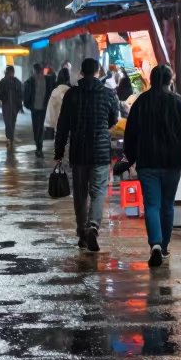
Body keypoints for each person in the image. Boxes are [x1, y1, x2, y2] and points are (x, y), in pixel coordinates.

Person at [123, 64, 181, 268]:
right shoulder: (178, 102)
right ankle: (164, 247)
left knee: (152, 205)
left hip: (147, 162)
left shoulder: (141, 102)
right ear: (169, 80)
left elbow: (130, 134)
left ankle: (155, 244)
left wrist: (129, 159)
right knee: (167, 205)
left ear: (152, 79)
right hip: (172, 162)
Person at [54, 57, 120, 252]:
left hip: (78, 152)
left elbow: (63, 126)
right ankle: (93, 225)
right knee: (99, 191)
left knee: (80, 193)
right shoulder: (108, 95)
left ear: (81, 73)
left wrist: (59, 152)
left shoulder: (72, 94)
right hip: (99, 152)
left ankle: (82, 231)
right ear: (98, 72)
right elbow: (113, 119)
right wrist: (100, 128)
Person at [24, 63, 53, 157]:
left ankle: (39, 146)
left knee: (39, 127)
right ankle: (38, 145)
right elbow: (27, 93)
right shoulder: (31, 81)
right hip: (35, 107)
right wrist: (27, 104)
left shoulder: (47, 80)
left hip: (42, 108)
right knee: (37, 128)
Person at [0, 66, 24, 150]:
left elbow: (21, 94)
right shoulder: (3, 82)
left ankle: (10, 137)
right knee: (8, 122)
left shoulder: (16, 82)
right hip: (7, 105)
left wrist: (19, 104)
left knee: (11, 121)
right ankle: (10, 137)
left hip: (12, 106)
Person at [44, 67, 71, 136]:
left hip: (58, 128)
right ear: (68, 79)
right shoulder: (72, 92)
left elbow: (50, 110)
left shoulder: (55, 92)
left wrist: (50, 124)